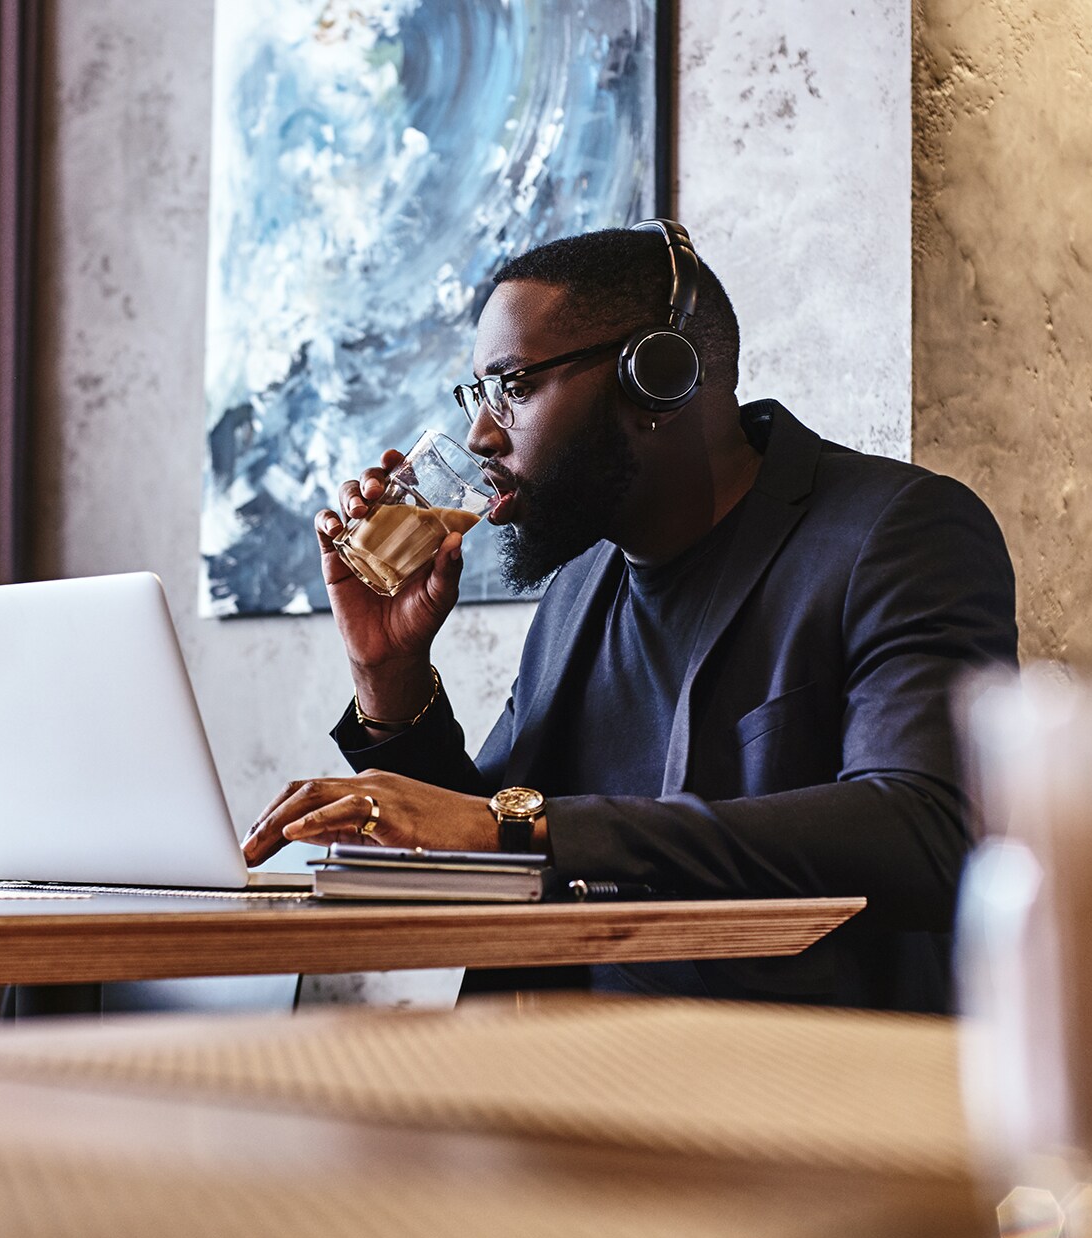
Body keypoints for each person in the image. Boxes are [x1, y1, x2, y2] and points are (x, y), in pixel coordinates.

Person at [243, 222, 1017, 1010]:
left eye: (512, 385)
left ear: (657, 378)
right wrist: (390, 672)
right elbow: (481, 847)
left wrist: (524, 829)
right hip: (544, 1076)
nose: (480, 433)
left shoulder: (895, 531)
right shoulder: (579, 585)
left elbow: (926, 831)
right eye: (478, 394)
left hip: (788, 1086)